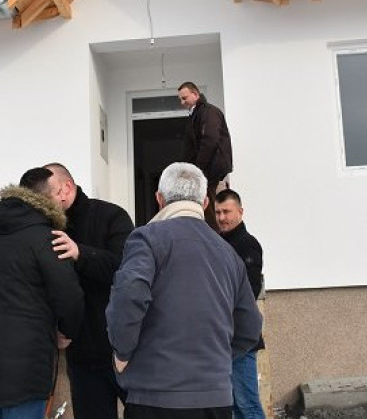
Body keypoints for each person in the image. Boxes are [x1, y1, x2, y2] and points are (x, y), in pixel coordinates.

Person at [107, 162, 263, 419]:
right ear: (204, 203)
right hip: (216, 399)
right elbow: (250, 326)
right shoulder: (227, 252)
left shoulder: (146, 238)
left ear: (159, 199)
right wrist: (217, 357)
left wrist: (122, 352)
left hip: (156, 396)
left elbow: (130, 293)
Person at [0, 167, 85, 419]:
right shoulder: (46, 237)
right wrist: (67, 331)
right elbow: (69, 295)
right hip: (26, 366)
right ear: (47, 198)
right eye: (57, 194)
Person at [43, 163, 134, 419]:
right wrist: (55, 327)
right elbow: (48, 288)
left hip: (124, 355)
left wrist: (81, 253)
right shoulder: (48, 229)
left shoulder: (112, 216)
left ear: (66, 189)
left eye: (46, 198)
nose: (42, 207)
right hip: (82, 358)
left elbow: (126, 270)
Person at [215, 189, 266, 419]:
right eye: (217, 212)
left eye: (227, 211)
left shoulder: (248, 245)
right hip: (222, 338)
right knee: (233, 407)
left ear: (241, 212)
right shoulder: (217, 243)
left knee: (248, 405)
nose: (222, 217)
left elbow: (250, 292)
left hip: (241, 339)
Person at [178, 81, 233, 231]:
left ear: (195, 94)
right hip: (207, 173)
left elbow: (210, 140)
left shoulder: (208, 112)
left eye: (184, 98)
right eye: (181, 99)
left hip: (211, 173)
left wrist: (198, 169)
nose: (182, 102)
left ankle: (217, 245)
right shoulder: (198, 113)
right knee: (208, 210)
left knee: (212, 212)